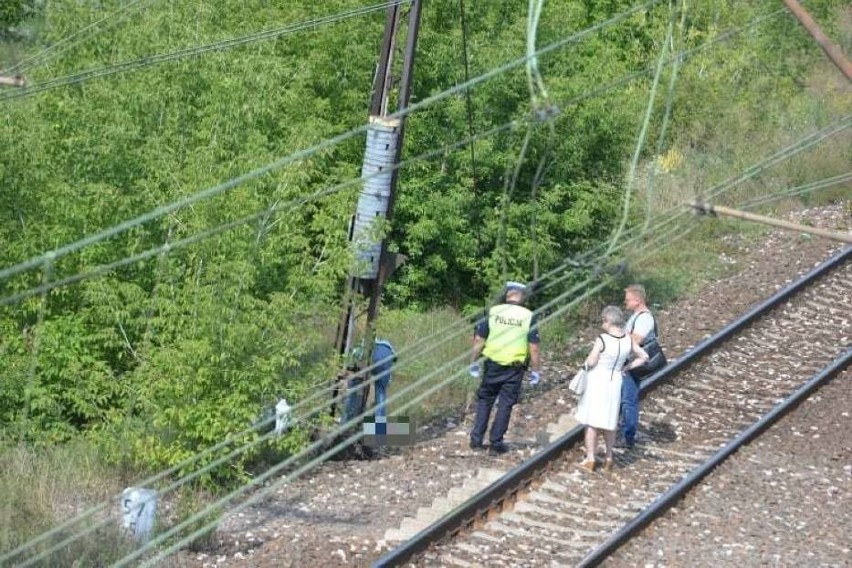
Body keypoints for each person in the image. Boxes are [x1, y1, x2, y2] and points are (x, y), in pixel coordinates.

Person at [469, 282, 541, 456]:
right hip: (514, 369)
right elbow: (534, 347)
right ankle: (496, 443)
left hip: (492, 365)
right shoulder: (528, 316)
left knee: (485, 400)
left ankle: (476, 440)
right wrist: (536, 370)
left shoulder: (493, 312)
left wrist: (473, 362)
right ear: (521, 296)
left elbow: (479, 340)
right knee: (505, 404)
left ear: (507, 295)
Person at [575, 305, 648, 472]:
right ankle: (609, 458)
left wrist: (584, 365)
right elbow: (644, 356)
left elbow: (592, 361)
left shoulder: (602, 339)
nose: (602, 324)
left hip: (598, 380)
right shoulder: (628, 339)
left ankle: (590, 458)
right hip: (615, 380)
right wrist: (627, 367)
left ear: (608, 321)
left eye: (603, 321)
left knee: (592, 422)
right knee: (609, 421)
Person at [620, 284, 660, 448]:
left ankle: (628, 436)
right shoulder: (636, 316)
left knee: (628, 400)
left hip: (634, 364)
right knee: (626, 398)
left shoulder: (644, 318)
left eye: (628, 299)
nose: (625, 302)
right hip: (630, 362)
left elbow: (636, 340)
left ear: (637, 300)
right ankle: (624, 431)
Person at [344, 339, 397, 422]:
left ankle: (348, 420)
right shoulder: (388, 351)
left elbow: (356, 357)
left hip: (369, 358)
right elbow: (389, 376)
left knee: (354, 386)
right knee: (380, 392)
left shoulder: (363, 346)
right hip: (384, 359)